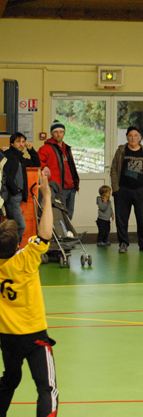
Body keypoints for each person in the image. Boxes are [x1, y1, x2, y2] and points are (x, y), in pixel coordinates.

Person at [0, 171, 58, 416]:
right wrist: (47, 196)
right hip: (34, 336)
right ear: (17, 244)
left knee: (11, 378)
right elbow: (45, 234)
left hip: (7, 336)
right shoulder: (25, 260)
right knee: (46, 388)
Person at [110, 126, 143, 254]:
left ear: (140, 138)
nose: (133, 138)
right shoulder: (121, 151)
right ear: (127, 137)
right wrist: (116, 189)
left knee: (142, 220)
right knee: (122, 220)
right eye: (130, 135)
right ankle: (123, 243)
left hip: (141, 191)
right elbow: (114, 170)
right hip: (123, 191)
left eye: (136, 135)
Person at [37, 120, 80, 220]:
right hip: (59, 188)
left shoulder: (66, 148)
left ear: (64, 133)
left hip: (71, 187)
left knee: (69, 215)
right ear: (52, 134)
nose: (58, 134)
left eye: (61, 132)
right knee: (59, 216)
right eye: (56, 132)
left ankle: (67, 230)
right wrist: (44, 166)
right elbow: (36, 160)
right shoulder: (46, 148)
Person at [3, 132, 40, 244]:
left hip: (18, 196)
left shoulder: (20, 157)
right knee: (20, 225)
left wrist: (31, 149)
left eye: (23, 142)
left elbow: (36, 163)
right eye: (18, 142)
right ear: (12, 143)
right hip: (12, 196)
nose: (21, 144)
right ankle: (14, 247)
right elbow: (7, 176)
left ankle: (10, 248)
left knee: (13, 226)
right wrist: (15, 190)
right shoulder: (7, 156)